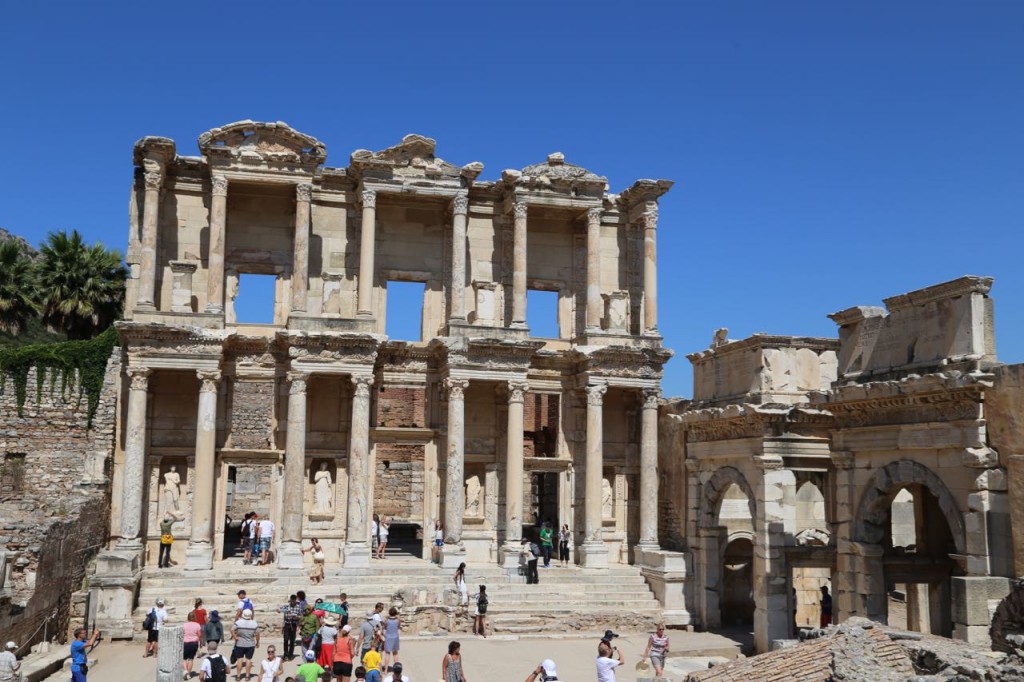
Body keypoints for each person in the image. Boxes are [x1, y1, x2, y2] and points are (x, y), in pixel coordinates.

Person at [231, 607, 260, 682]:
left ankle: (238, 676)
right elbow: (257, 634)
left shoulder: (238, 622)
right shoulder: (254, 623)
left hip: (240, 644)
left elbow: (232, 629)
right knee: (248, 660)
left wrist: (235, 637)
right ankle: (247, 676)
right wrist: (257, 642)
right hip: (250, 644)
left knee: (239, 660)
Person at [279, 594, 302, 661]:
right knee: (286, 639)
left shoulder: (298, 607)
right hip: (287, 624)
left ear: (295, 601)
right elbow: (278, 610)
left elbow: (301, 616)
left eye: (293, 601)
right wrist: (279, 610)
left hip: (293, 624)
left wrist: (297, 617)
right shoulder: (286, 607)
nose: (292, 602)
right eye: (291, 601)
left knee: (292, 641)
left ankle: (290, 654)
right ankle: (285, 654)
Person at [183, 611, 203, 678]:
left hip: (185, 643)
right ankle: (188, 674)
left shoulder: (184, 625)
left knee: (184, 659)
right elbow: (199, 635)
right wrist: (200, 643)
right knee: (191, 659)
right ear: (194, 617)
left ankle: (185, 670)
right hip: (194, 643)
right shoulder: (197, 625)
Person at [382, 607, 400, 672]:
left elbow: (384, 628)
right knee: (395, 653)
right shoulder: (397, 620)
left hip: (388, 637)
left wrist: (384, 635)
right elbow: (398, 627)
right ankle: (397, 669)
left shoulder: (387, 621)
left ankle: (386, 669)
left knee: (387, 654)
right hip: (395, 637)